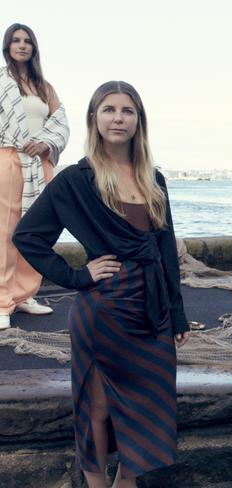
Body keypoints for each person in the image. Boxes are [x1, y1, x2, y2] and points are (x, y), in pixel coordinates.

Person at [13, 81, 190, 487]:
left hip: (152, 309)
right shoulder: (76, 180)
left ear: (138, 121)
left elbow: (164, 250)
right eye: (109, 109)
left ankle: (125, 481)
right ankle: (95, 483)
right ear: (94, 117)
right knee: (97, 406)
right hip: (105, 309)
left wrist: (178, 314)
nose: (118, 118)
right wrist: (77, 277)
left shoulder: (154, 178)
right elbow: (28, 237)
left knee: (151, 402)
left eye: (127, 111)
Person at [0, 23, 69, 330]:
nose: (22, 45)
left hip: (40, 163)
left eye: (27, 41)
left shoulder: (44, 87)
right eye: (16, 40)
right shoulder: (1, 82)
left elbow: (61, 122)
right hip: (9, 159)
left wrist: (46, 143)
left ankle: (25, 294)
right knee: (5, 232)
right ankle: (2, 299)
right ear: (7, 46)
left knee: (34, 230)